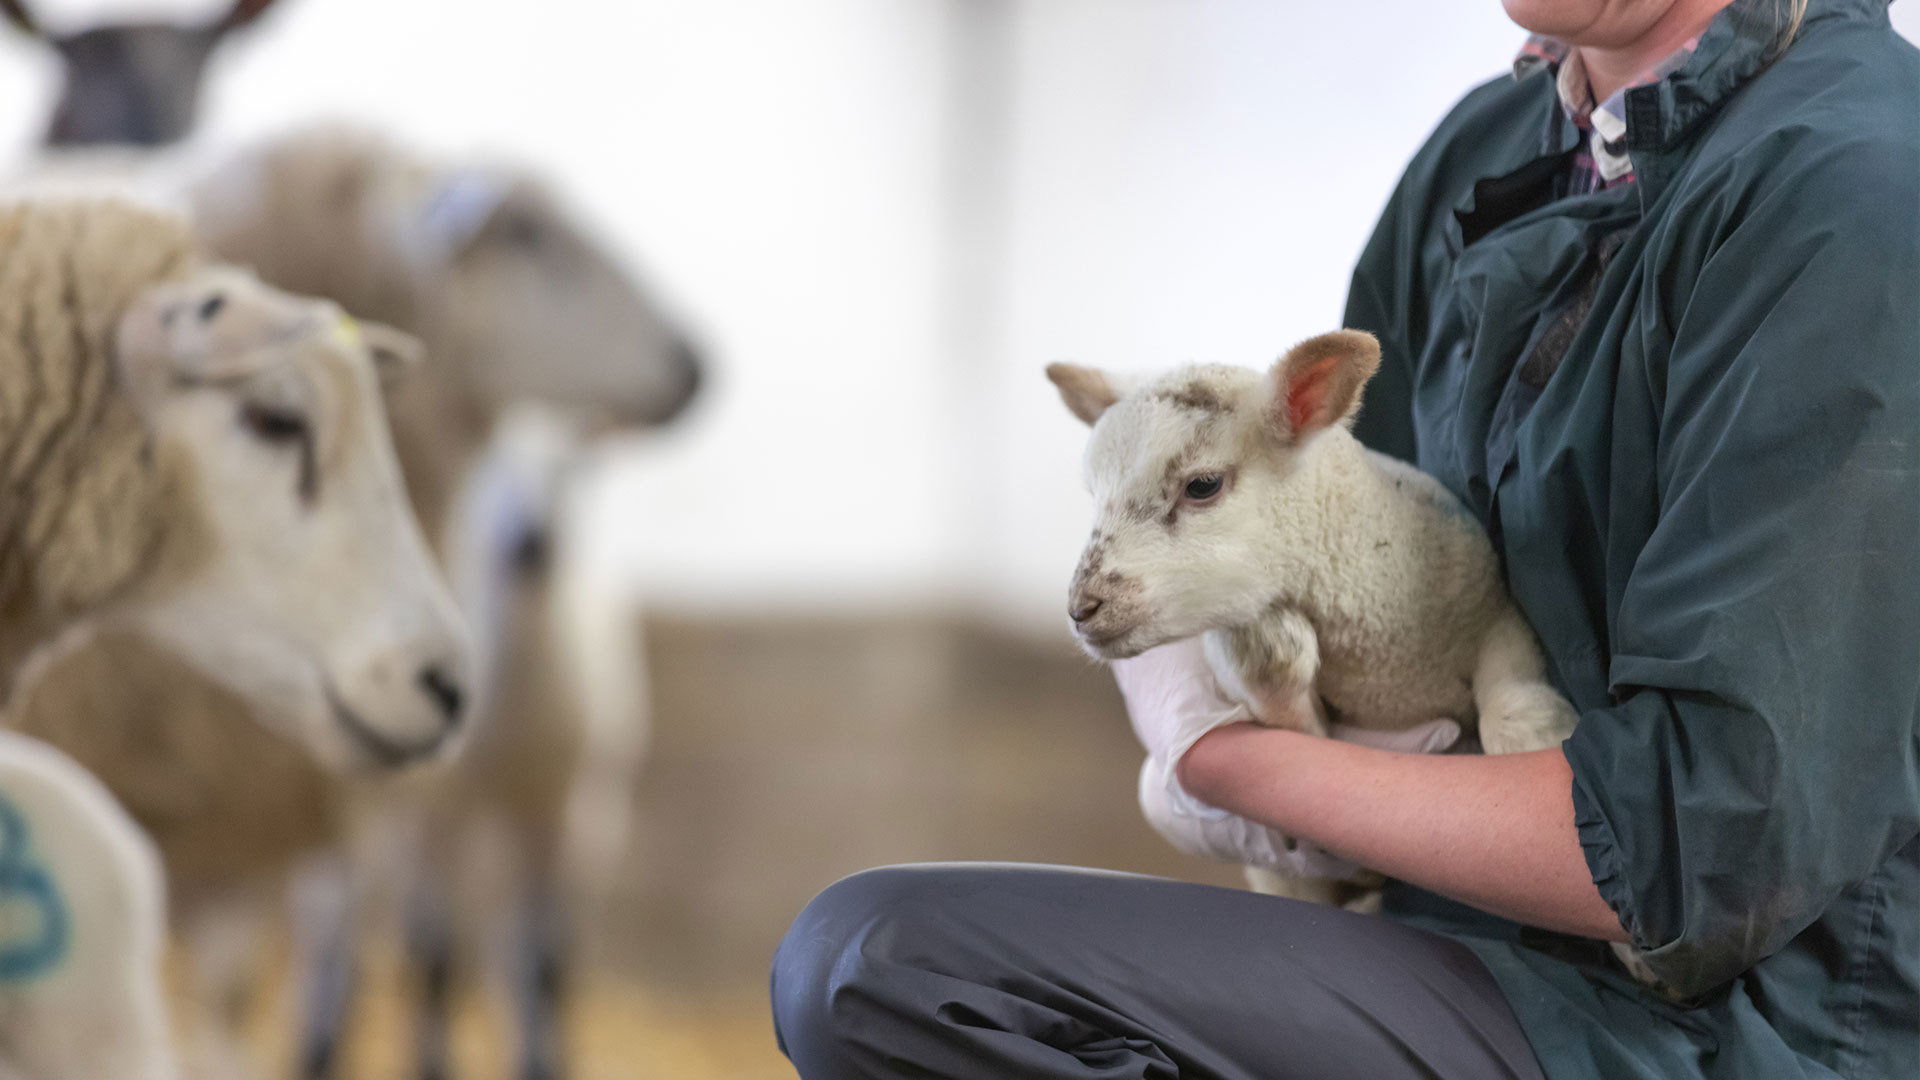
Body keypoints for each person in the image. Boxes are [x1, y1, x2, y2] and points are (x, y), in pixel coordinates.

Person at [770, 0, 1920, 1076]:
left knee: (897, 962)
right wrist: (1192, 662)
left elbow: (1695, 853)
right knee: (866, 965)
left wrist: (1235, 764)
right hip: (1452, 938)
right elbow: (1335, 522)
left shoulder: (1852, 195)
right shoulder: (1492, 147)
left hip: (1721, 1032)